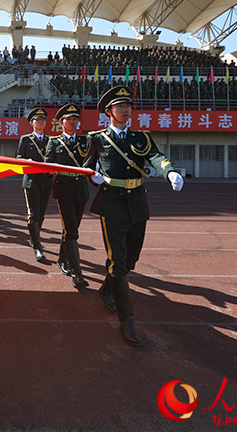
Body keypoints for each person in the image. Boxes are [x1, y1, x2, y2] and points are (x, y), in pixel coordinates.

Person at [83, 85, 184, 347]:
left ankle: (107, 289)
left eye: (128, 105)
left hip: (137, 201)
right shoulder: (97, 139)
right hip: (111, 203)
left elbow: (157, 157)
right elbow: (86, 166)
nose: (125, 109)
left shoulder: (142, 137)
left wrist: (169, 171)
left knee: (130, 259)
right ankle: (127, 321)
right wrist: (93, 177)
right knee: (117, 260)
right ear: (109, 112)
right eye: (119, 106)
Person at [45, 103, 89, 289]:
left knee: (71, 229)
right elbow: (48, 164)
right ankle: (76, 273)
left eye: (74, 119)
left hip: (81, 189)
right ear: (61, 122)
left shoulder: (85, 141)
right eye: (68, 119)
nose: (71, 122)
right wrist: (52, 171)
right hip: (63, 189)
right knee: (72, 232)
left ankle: (62, 259)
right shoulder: (54, 142)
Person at [16, 107, 54, 262]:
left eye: (43, 120)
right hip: (31, 180)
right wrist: (27, 162)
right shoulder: (25, 139)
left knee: (42, 213)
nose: (40, 122)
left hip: (46, 181)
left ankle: (34, 236)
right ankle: (37, 246)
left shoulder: (50, 140)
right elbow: (19, 157)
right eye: (37, 120)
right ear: (32, 123)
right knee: (33, 214)